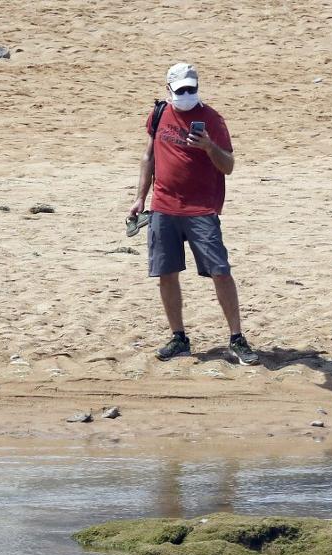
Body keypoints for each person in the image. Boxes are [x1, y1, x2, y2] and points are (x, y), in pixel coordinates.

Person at [127, 63, 259, 365]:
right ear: (169, 90)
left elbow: (228, 166)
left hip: (201, 210)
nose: (186, 94)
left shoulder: (212, 119)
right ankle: (178, 337)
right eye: (181, 90)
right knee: (166, 272)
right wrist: (139, 198)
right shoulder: (159, 114)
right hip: (163, 206)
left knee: (220, 270)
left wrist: (208, 146)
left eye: (191, 89)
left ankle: (237, 338)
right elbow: (148, 156)